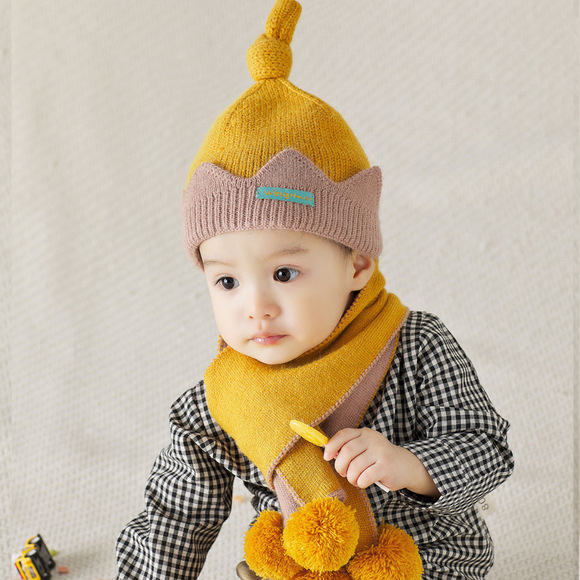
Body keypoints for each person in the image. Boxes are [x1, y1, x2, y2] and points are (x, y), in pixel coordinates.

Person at [116, 1, 514, 578]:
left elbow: (487, 449)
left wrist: (407, 464)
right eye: (227, 281)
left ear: (357, 264)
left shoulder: (415, 346)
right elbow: (174, 516)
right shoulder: (223, 397)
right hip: (300, 566)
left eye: (284, 273)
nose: (255, 307)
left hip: (424, 560)